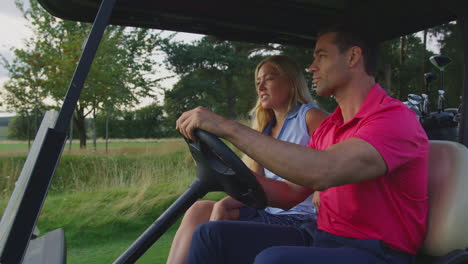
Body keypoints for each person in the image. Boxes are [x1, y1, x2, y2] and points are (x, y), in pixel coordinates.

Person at [176, 24, 429, 264]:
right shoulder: (331, 127)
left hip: (377, 252)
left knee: (273, 261)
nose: (311, 67)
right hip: (323, 237)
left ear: (353, 57)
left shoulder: (393, 120)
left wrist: (228, 128)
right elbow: (289, 194)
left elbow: (323, 171)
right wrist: (227, 174)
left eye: (321, 57)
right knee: (210, 236)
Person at [166, 55, 328, 264]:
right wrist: (224, 202)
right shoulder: (265, 129)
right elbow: (255, 185)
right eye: (258, 82)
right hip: (271, 213)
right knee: (199, 209)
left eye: (269, 79)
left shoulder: (309, 117)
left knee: (211, 233)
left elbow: (335, 162)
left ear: (291, 81)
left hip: (300, 219)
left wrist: (324, 189)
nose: (261, 87)